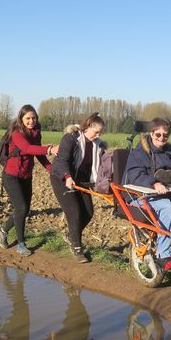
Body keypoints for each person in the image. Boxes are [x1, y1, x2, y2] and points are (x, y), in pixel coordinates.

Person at [124, 117, 171, 271]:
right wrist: (154, 183)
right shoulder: (139, 153)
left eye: (165, 135)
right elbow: (136, 175)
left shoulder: (169, 152)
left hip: (164, 196)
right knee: (166, 207)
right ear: (151, 134)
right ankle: (163, 255)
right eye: (158, 134)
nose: (161, 138)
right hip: (140, 197)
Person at [0, 105, 58, 257]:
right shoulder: (16, 132)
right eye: (28, 118)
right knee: (21, 208)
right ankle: (21, 244)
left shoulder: (36, 133)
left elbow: (39, 155)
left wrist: (52, 169)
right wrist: (49, 149)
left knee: (23, 209)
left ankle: (2, 230)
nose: (31, 121)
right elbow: (28, 148)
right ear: (21, 119)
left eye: (34, 118)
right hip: (11, 176)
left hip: (26, 176)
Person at [50, 113, 106, 263]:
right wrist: (67, 177)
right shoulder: (71, 138)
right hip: (62, 178)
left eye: (100, 133)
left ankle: (71, 236)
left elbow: (103, 167)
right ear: (87, 127)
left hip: (81, 181)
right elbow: (62, 161)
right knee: (74, 213)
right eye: (96, 132)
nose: (98, 135)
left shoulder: (98, 145)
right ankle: (77, 248)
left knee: (88, 213)